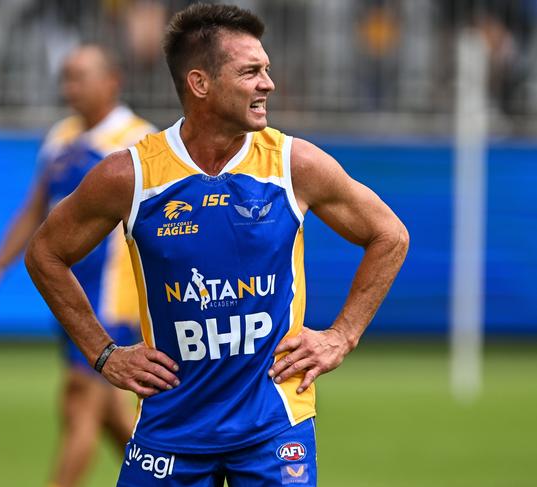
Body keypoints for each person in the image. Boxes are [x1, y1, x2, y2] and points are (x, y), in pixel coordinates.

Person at [25, 4, 409, 486]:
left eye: (266, 70)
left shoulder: (294, 164)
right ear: (200, 83)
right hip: (168, 431)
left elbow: (390, 235)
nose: (267, 83)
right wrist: (103, 353)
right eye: (250, 72)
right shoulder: (132, 175)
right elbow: (44, 254)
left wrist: (342, 335)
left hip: (274, 429)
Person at [0, 44, 155, 487]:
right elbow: (36, 211)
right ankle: (180, 479)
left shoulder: (139, 142)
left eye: (79, 77)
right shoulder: (60, 138)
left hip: (113, 299)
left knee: (78, 403)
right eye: (65, 77)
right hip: (68, 296)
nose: (68, 87)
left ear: (112, 81)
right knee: (110, 415)